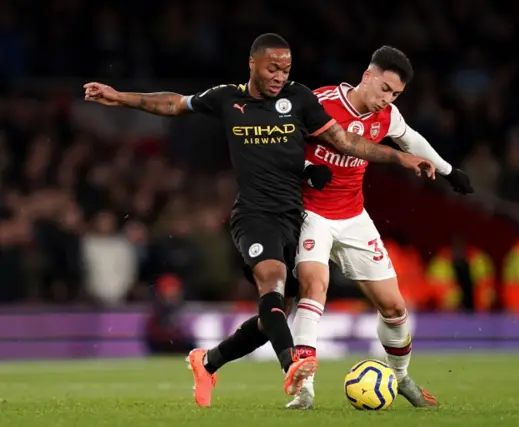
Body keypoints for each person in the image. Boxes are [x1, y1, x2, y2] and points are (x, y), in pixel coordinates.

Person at [83, 33, 435, 407]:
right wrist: (119, 97)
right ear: (252, 63)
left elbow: (345, 142)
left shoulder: (300, 98)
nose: (280, 76)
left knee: (275, 317)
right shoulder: (227, 98)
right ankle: (294, 367)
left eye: (285, 69)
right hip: (254, 215)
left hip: (298, 215)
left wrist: (399, 157)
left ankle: (208, 360)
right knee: (274, 284)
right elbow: (173, 104)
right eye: (272, 68)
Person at [286, 46, 474, 409]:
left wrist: (449, 171)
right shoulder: (319, 102)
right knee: (314, 286)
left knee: (394, 307)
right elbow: (283, 148)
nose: (386, 99)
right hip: (311, 213)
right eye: (385, 88)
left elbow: (411, 139)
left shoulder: (386, 116)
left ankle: (400, 377)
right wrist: (306, 171)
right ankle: (304, 388)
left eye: (396, 95)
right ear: (367, 76)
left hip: (354, 215)